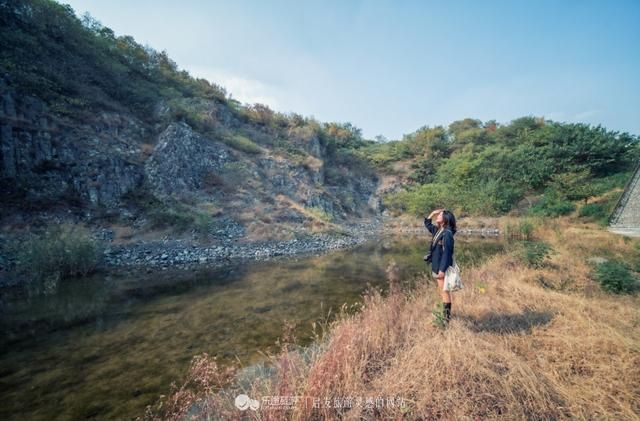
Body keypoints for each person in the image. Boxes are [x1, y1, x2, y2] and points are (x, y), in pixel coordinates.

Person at [424, 208, 457, 323]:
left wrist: (442, 270)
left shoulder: (447, 234)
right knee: (442, 291)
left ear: (445, 219)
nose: (437, 216)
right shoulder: (438, 230)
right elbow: (427, 224)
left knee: (444, 292)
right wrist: (432, 213)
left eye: (440, 215)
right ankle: (445, 317)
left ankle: (446, 319)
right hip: (436, 266)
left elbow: (447, 253)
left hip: (440, 268)